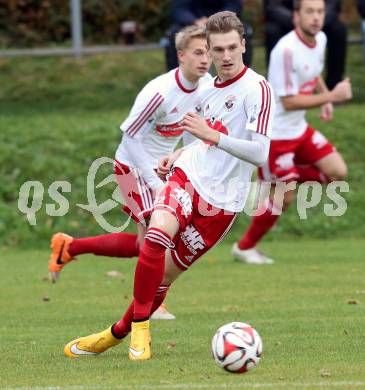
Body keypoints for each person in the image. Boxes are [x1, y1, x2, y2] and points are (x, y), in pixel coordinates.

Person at [62, 10, 275, 361]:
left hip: (222, 204)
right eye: (217, 49)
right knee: (156, 234)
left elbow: (260, 153)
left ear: (243, 46)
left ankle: (114, 334)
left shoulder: (257, 89)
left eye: (231, 48)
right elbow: (205, 140)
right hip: (188, 177)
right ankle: (142, 330)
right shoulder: (205, 88)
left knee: (162, 279)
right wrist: (180, 153)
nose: (223, 57)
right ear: (208, 47)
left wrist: (212, 137)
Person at [48, 25, 212, 320]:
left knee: (143, 244)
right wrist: (153, 181)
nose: (205, 59)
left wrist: (186, 167)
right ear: (181, 55)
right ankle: (151, 304)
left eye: (208, 52)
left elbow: (193, 134)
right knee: (162, 237)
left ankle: (69, 247)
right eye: (198, 52)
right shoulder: (159, 93)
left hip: (163, 169)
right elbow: (130, 138)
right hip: (131, 166)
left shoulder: (207, 87)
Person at [232, 0, 352, 265]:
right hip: (276, 134)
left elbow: (313, 72)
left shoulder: (320, 38)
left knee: (337, 172)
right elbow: (288, 101)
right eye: (309, 12)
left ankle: (282, 177)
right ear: (296, 16)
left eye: (320, 12)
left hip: (299, 129)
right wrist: (332, 95)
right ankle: (244, 247)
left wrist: (325, 97)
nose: (316, 18)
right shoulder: (285, 50)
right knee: (285, 198)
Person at [263, 0, 347, 89]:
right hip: (287, 20)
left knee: (338, 30)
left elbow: (333, 4)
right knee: (271, 31)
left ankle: (333, 85)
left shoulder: (321, 36)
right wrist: (298, 19)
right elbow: (272, 6)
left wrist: (318, 17)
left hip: (318, 20)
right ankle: (276, 85)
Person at [165, 0, 252, 70]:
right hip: (192, 23)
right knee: (175, 34)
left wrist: (214, 20)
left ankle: (242, 72)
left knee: (243, 32)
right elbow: (178, 8)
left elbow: (234, 5)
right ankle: (176, 74)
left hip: (222, 22)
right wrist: (194, 21)